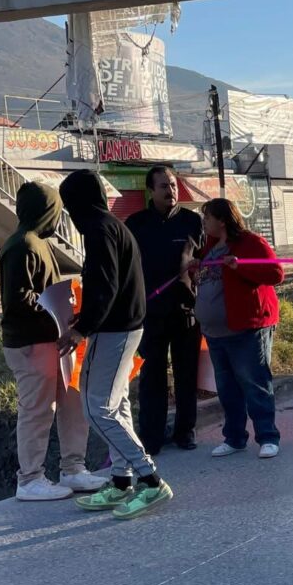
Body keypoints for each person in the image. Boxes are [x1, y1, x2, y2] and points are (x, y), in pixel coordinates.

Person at [56, 169, 174, 520]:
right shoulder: (112, 225)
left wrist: (82, 328)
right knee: (116, 404)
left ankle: (150, 480)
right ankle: (122, 481)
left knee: (96, 408)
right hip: (124, 327)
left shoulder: (98, 229)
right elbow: (112, 283)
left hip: (114, 330)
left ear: (76, 204)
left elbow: (104, 285)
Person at [0, 182, 107, 501]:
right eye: (56, 211)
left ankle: (73, 469)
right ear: (47, 211)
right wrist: (57, 305)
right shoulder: (23, 245)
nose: (59, 218)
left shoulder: (37, 243)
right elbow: (20, 299)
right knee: (38, 409)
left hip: (51, 340)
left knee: (71, 402)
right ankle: (30, 478)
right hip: (30, 343)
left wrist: (64, 303)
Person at [192, 198, 285, 460]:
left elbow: (275, 274)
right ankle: (234, 438)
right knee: (227, 388)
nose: (204, 222)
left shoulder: (250, 242)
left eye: (207, 217)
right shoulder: (209, 246)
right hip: (216, 332)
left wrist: (240, 266)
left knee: (254, 383)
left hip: (246, 328)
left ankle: (267, 436)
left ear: (222, 219)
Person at [126, 165, 204, 456]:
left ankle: (186, 431)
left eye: (173, 185)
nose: (171, 191)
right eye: (163, 186)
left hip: (186, 312)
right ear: (150, 190)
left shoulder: (192, 222)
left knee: (186, 375)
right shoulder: (136, 224)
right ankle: (152, 437)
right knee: (152, 377)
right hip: (150, 314)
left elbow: (205, 260)